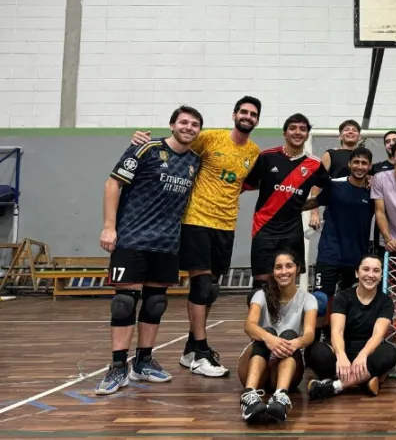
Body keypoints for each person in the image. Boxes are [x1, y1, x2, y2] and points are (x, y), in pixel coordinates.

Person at [132, 96, 262, 378]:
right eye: (243, 112)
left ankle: (190, 349)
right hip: (197, 219)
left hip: (227, 225)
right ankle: (201, 351)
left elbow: (241, 182)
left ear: (257, 120)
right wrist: (142, 141)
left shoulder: (253, 151)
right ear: (234, 114)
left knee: (211, 289)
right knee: (201, 284)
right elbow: (178, 144)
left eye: (253, 114)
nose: (247, 116)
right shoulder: (209, 138)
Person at [96, 105, 204, 395]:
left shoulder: (195, 161)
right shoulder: (146, 149)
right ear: (172, 125)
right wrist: (109, 226)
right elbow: (112, 183)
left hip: (167, 244)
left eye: (195, 124)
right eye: (184, 122)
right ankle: (118, 366)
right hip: (132, 239)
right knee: (124, 302)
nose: (189, 127)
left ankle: (143, 361)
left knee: (156, 303)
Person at [242, 113, 330, 299]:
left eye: (302, 129)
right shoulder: (267, 157)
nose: (297, 132)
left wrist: (304, 205)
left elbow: (328, 192)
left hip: (292, 232)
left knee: (287, 285)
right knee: (260, 288)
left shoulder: (314, 165)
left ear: (307, 135)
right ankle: (261, 326)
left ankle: (286, 326)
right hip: (263, 230)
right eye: (293, 128)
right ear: (285, 133)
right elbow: (245, 185)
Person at [238, 250, 319, 423]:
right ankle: (248, 395)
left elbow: (310, 334)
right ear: (273, 272)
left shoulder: (309, 299)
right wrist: (270, 340)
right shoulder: (261, 294)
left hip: (284, 370)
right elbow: (249, 326)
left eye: (289, 266)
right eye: (278, 267)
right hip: (256, 368)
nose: (284, 271)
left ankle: (280, 397)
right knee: (267, 332)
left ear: (297, 268)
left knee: (290, 335)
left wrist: (297, 342)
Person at [305, 255, 396, 399]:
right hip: (341, 351)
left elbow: (377, 335)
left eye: (376, 271)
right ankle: (364, 381)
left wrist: (362, 355)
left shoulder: (385, 301)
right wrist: (341, 356)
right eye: (366, 269)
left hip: (368, 355)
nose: (370, 275)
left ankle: (334, 386)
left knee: (391, 352)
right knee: (314, 350)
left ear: (381, 275)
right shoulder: (342, 297)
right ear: (357, 273)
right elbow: (337, 331)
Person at [313, 147, 376, 341]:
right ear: (349, 164)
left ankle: (340, 339)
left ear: (369, 167)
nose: (359, 166)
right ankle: (314, 342)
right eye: (356, 162)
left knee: (349, 303)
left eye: (364, 163)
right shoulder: (334, 186)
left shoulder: (373, 192)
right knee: (321, 300)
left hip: (356, 258)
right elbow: (311, 201)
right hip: (329, 254)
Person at [308, 119, 363, 230]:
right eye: (346, 130)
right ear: (340, 136)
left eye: (354, 130)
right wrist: (314, 213)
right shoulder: (331, 154)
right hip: (335, 210)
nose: (350, 132)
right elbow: (317, 184)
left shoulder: (364, 157)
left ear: (359, 137)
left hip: (358, 212)